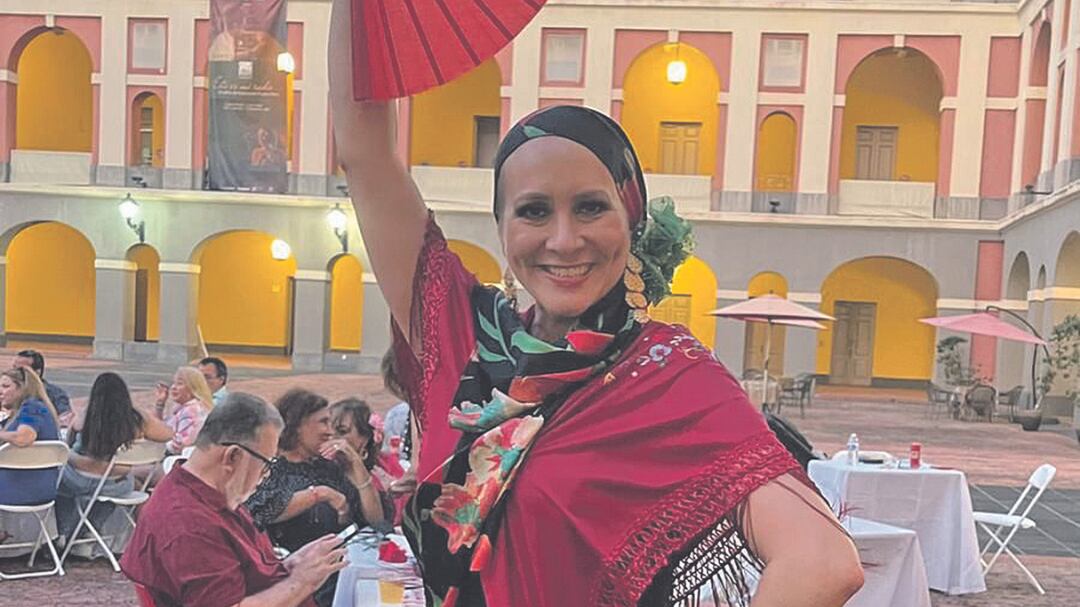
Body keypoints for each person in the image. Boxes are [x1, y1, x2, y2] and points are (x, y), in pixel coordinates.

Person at [328, 4, 863, 604]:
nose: (563, 240)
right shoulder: (460, 334)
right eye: (533, 211)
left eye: (590, 207)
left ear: (630, 218)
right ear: (502, 229)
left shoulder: (669, 374)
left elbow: (821, 562)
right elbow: (365, 151)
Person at [121, 392, 345, 607]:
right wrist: (301, 582)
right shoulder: (189, 522)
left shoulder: (209, 494)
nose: (265, 475)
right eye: (266, 464)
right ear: (233, 456)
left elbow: (243, 572)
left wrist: (290, 567)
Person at [245, 389, 389, 606]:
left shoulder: (329, 467)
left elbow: (375, 519)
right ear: (297, 425)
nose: (329, 432)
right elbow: (259, 510)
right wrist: (320, 494)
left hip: (338, 574)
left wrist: (357, 466)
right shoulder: (270, 467)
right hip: (290, 578)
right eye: (323, 422)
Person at [55, 372, 173, 541]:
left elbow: (72, 438)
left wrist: (68, 457)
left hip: (79, 481)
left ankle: (64, 531)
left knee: (58, 478)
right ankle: (90, 531)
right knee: (127, 484)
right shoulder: (135, 420)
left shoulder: (89, 414)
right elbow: (167, 434)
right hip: (117, 484)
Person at [328, 398, 406, 523]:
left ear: (366, 437)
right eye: (328, 432)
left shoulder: (387, 465)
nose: (333, 438)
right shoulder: (323, 468)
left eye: (342, 432)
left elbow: (380, 522)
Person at [0, 367, 61, 514]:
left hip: (19, 489)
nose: (0, 391)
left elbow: (24, 438)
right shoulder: (23, 411)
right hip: (40, 489)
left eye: (6, 386)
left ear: (23, 388)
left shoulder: (32, 408)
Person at [154, 366, 215, 455]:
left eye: (180, 383)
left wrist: (154, 444)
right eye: (174, 383)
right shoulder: (182, 407)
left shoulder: (192, 411)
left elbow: (178, 445)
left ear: (192, 388)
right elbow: (161, 429)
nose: (174, 387)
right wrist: (160, 403)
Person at [12, 349, 72, 425]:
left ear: (37, 372)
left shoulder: (55, 394)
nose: (13, 372)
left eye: (20, 370)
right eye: (13, 368)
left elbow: (64, 419)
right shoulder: (6, 390)